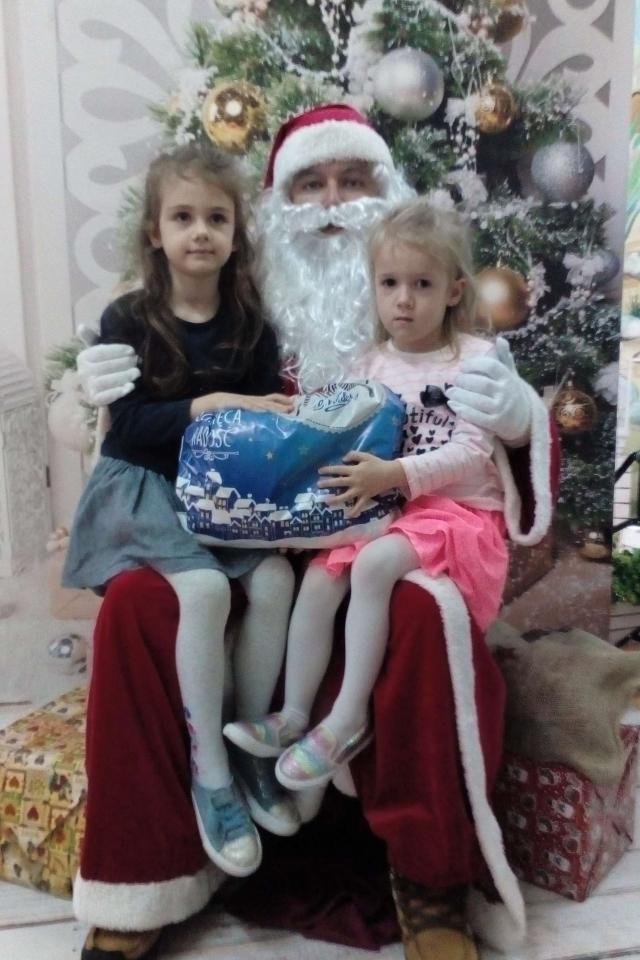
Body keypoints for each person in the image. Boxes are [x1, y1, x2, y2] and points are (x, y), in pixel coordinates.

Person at [75, 105, 556, 960]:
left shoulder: (436, 320)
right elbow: (150, 417)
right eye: (310, 184)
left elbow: (484, 449)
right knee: (140, 606)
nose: (333, 203)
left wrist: (521, 418)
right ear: (273, 209)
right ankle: (149, 872)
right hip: (235, 521)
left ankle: (428, 877)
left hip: (391, 517)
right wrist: (93, 394)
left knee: (420, 611)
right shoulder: (243, 302)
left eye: (354, 180)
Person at [224, 198, 534, 800]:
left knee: (373, 565)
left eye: (422, 284)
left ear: (454, 290)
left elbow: (472, 453)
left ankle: (347, 719)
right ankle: (294, 714)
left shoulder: (473, 359)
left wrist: (393, 474)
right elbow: (341, 434)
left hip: (459, 514)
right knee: (320, 579)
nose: (403, 300)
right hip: (392, 506)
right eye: (390, 283)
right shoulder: (370, 361)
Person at [65, 143, 300, 892]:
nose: (201, 231)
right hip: (144, 487)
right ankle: (211, 773)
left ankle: (249, 743)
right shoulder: (129, 317)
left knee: (274, 581)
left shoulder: (251, 324)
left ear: (235, 233)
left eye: (217, 218)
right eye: (184, 217)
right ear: (155, 232)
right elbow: (131, 427)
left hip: (220, 490)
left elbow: (263, 419)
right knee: (202, 591)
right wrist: (210, 404)